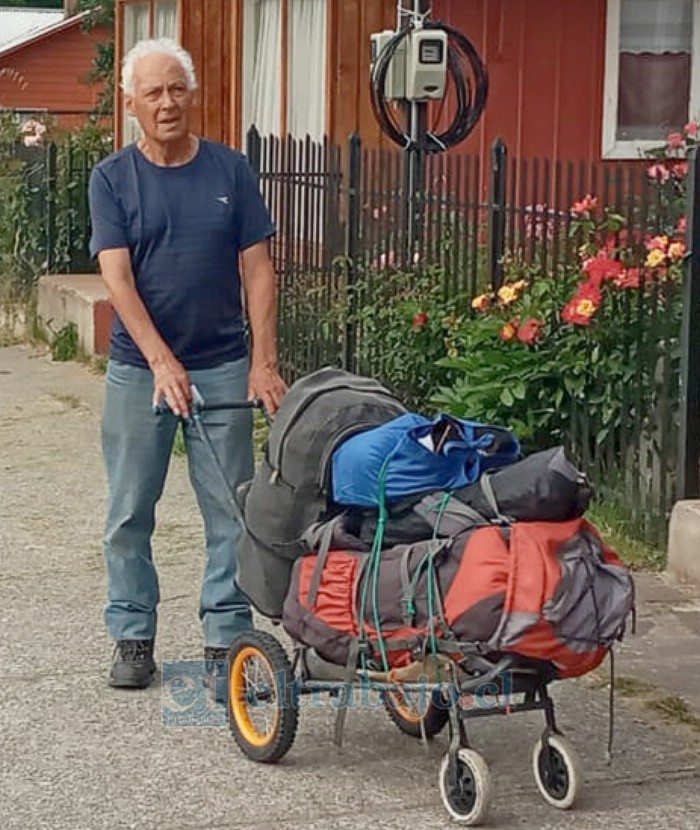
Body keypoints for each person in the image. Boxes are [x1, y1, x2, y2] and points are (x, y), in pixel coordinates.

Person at [88, 37, 287, 693]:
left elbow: (258, 271)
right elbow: (117, 281)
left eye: (177, 88)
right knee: (128, 512)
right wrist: (161, 361)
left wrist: (264, 362)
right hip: (140, 371)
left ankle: (224, 641)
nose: (168, 102)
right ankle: (133, 635)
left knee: (231, 510)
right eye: (153, 92)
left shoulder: (231, 171)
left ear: (192, 94)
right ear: (132, 103)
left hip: (224, 364)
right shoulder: (113, 178)